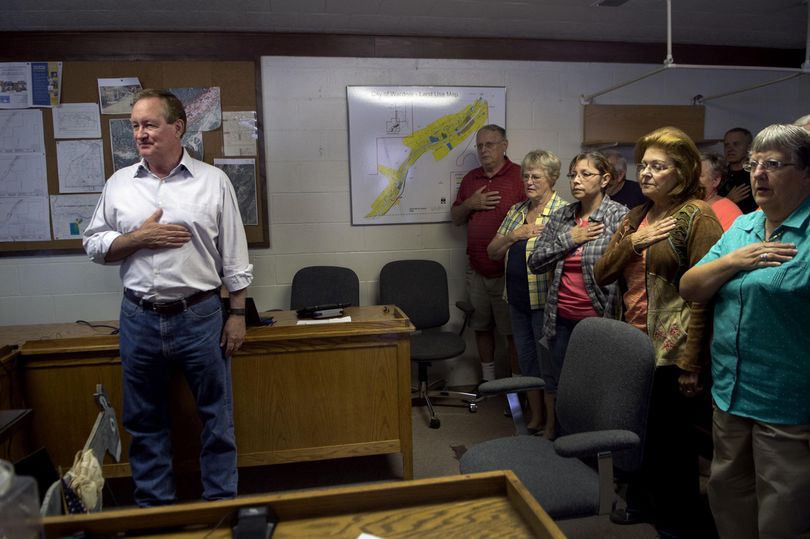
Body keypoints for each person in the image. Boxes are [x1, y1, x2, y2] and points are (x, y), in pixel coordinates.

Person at [83, 89, 253, 506]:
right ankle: (153, 512)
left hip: (200, 315)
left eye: (150, 124)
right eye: (136, 126)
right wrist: (137, 238)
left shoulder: (213, 182)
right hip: (139, 317)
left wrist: (237, 313)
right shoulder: (119, 184)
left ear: (177, 128)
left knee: (216, 419)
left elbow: (235, 256)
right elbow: (93, 245)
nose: (141, 133)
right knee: (144, 422)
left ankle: (221, 507)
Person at [680, 124, 810, 539]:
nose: (758, 174)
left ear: (807, 173)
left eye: (773, 165)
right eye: (755, 164)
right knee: (728, 499)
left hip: (786, 404)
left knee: (781, 517)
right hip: (732, 394)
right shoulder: (744, 228)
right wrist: (737, 260)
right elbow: (691, 286)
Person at [594, 126, 723, 538]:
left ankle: (678, 520)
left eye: (658, 166)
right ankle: (644, 501)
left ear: (682, 171)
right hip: (634, 345)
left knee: (674, 443)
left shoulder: (697, 217)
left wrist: (692, 363)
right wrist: (635, 241)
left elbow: (706, 295)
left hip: (675, 350)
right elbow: (602, 273)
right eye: (643, 165)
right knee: (641, 433)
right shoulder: (637, 215)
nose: (646, 173)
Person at [527, 152, 627, 439]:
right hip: (560, 319)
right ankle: (563, 442)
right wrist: (570, 238)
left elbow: (624, 270)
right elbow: (536, 260)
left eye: (585, 174)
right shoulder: (563, 216)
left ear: (605, 179)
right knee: (561, 385)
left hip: (597, 319)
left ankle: (593, 448)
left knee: (595, 386)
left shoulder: (618, 216)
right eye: (573, 175)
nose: (576, 180)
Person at [486, 150, 566, 433]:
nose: (529, 181)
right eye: (526, 176)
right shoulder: (517, 211)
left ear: (552, 178)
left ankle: (551, 423)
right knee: (527, 360)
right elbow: (492, 251)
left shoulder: (562, 212)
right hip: (517, 299)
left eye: (536, 176)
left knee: (548, 364)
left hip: (545, 303)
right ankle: (534, 416)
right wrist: (513, 235)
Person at [452, 125, 525, 383]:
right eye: (480, 145)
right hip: (477, 270)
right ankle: (489, 382)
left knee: (512, 332)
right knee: (481, 328)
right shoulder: (471, 179)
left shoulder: (520, 176)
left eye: (490, 144)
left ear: (504, 145)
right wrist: (470, 204)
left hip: (508, 272)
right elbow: (456, 218)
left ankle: (517, 389)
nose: (484, 150)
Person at [700, 152, 743, 231]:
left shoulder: (727, 211)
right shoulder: (692, 205)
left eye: (699, 176)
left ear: (715, 180)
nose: (691, 181)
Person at [719, 127, 757, 213]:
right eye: (727, 145)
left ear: (749, 147)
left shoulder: (757, 176)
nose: (730, 149)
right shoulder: (718, 175)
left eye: (736, 144)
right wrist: (728, 201)